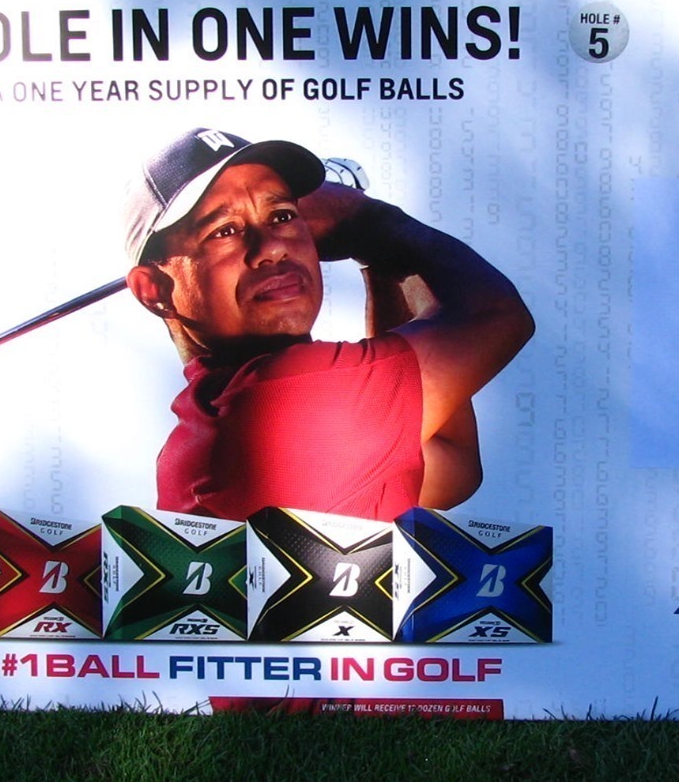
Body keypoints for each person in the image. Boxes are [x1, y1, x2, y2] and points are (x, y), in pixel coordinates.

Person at [121, 128, 533, 523]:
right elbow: (496, 315)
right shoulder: (279, 395)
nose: (272, 247)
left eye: (281, 216)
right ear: (153, 289)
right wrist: (367, 218)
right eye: (225, 231)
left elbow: (451, 460)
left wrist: (377, 257)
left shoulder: (200, 427)